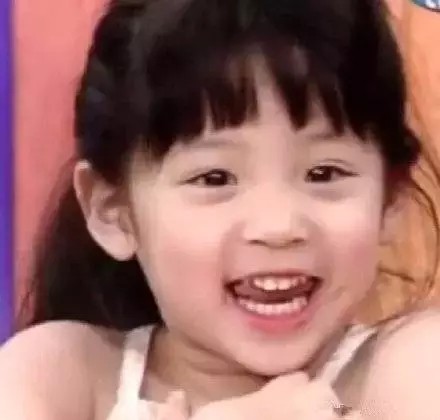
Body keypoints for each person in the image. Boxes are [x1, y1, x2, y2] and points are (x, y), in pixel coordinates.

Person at [2, 0, 440, 418]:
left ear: (390, 198)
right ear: (112, 209)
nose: (279, 226)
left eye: (324, 173)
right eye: (215, 178)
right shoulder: (61, 374)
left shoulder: (411, 368)